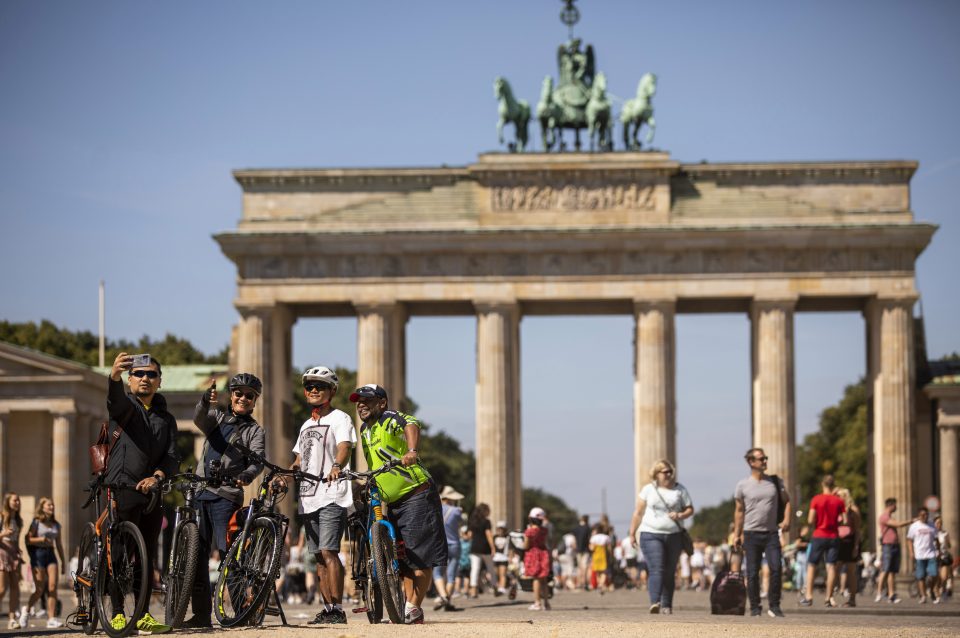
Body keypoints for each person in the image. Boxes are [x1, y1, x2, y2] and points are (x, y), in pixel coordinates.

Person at [349, 383, 446, 625]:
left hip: (416, 494)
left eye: (367, 400)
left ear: (381, 403)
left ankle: (414, 607)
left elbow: (411, 423)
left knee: (419, 557)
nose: (361, 404)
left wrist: (411, 450)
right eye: (358, 401)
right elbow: (375, 464)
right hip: (391, 500)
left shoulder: (390, 419)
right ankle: (404, 606)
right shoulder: (364, 430)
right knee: (401, 559)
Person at [105, 352, 178, 633]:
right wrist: (114, 376)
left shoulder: (166, 419)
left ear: (159, 382)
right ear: (130, 379)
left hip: (152, 491)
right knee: (122, 552)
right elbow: (114, 400)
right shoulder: (125, 408)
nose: (145, 379)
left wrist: (158, 476)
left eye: (151, 375)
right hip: (123, 486)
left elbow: (172, 456)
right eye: (139, 374)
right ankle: (117, 612)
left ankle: (144, 613)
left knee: (147, 555)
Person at [186, 372, 266, 628]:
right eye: (238, 393)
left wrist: (246, 475)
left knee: (229, 554)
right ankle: (200, 615)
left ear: (255, 401)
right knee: (197, 557)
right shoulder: (217, 418)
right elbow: (199, 418)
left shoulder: (255, 430)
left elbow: (257, 462)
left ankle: (241, 610)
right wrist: (205, 401)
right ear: (231, 396)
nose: (243, 398)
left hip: (226, 498)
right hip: (201, 493)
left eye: (249, 396)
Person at [280, 366, 356, 625]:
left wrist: (337, 466)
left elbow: (345, 448)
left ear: (332, 391)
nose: (314, 390)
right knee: (317, 557)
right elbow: (299, 460)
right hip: (308, 496)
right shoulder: (305, 424)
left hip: (332, 493)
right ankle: (327, 608)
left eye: (320, 386)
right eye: (310, 386)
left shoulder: (341, 418)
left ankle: (338, 608)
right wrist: (284, 476)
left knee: (329, 551)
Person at [628, 459, 694, 615]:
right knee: (657, 568)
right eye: (665, 472)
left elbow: (690, 509)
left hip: (674, 535)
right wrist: (632, 532)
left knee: (670, 571)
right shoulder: (648, 490)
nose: (669, 475)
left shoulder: (680, 490)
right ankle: (655, 601)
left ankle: (667, 604)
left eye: (671, 472)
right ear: (657, 474)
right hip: (651, 533)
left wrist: (680, 515)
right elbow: (638, 512)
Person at [732, 447, 791, 617]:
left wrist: (787, 520)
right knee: (751, 573)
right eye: (761, 459)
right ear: (751, 462)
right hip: (751, 533)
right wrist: (737, 534)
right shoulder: (742, 485)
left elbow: (787, 502)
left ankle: (774, 605)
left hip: (771, 533)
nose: (765, 461)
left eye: (766, 458)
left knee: (776, 567)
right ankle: (755, 607)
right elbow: (739, 511)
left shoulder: (775, 481)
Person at [800, 475, 845, 607]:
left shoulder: (816, 499)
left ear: (822, 484)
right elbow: (844, 520)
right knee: (831, 567)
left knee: (812, 565)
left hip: (819, 534)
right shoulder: (838, 501)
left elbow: (810, 519)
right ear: (833, 485)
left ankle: (809, 596)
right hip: (833, 536)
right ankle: (828, 597)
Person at [23, 498, 64, 628]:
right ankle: (27, 609)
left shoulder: (56, 525)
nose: (51, 507)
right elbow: (28, 539)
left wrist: (63, 561)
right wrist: (41, 538)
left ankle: (51, 618)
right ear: (42, 507)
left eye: (52, 505)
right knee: (40, 589)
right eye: (48, 505)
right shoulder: (36, 522)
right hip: (38, 554)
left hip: (51, 554)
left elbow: (59, 544)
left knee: (52, 587)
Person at [875, 497, 914, 603]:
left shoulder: (889, 516)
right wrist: (911, 521)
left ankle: (891, 594)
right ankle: (878, 593)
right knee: (885, 569)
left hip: (894, 545)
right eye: (895, 505)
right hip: (888, 546)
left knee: (892, 571)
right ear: (891, 505)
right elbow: (898, 524)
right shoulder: (884, 517)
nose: (896, 507)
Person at [432, 485, 464, 611]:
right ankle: (448, 600)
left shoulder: (436, 509)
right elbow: (461, 523)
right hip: (455, 544)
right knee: (451, 575)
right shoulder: (457, 511)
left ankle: (443, 596)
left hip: (440, 544)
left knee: (437, 572)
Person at [906, 507, 940, 603]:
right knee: (920, 576)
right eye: (922, 515)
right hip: (919, 554)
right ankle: (923, 596)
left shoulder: (932, 525)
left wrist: (938, 550)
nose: (924, 516)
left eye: (926, 515)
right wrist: (911, 552)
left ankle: (931, 589)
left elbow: (936, 539)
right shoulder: (914, 526)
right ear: (919, 516)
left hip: (931, 553)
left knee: (934, 574)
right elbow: (909, 540)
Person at [0, 493, 24, 629]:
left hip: (14, 554)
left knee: (15, 588)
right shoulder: (2, 517)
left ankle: (12, 619)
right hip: (2, 553)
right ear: (8, 502)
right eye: (15, 500)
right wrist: (3, 534)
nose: (18, 503)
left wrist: (19, 552)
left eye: (18, 500)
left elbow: (16, 539)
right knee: (2, 589)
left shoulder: (18, 520)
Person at [835, 488, 861, 607]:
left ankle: (852, 599)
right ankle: (830, 597)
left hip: (850, 541)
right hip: (838, 541)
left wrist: (856, 546)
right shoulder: (836, 509)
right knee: (834, 570)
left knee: (851, 572)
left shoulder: (853, 510)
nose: (837, 498)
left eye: (839, 496)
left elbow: (857, 529)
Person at [523, 507, 551, 611]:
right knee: (543, 580)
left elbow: (526, 546)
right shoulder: (544, 530)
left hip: (533, 555)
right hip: (543, 553)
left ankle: (537, 602)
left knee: (536, 579)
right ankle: (546, 604)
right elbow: (546, 542)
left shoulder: (529, 531)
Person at [467, 503, 496, 598]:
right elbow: (488, 534)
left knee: (475, 569)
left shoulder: (472, 521)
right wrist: (493, 547)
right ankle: (494, 587)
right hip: (485, 548)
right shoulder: (486, 522)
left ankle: (473, 591)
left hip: (474, 547)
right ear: (485, 511)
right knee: (490, 568)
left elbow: (469, 535)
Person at [588, 523, 611, 594]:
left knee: (597, 572)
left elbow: (591, 548)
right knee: (604, 571)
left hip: (596, 556)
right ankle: (601, 584)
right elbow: (609, 548)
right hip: (603, 556)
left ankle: (599, 585)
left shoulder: (593, 538)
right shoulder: (606, 537)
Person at [934, 515, 953, 598]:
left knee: (944, 577)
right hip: (934, 556)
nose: (939, 524)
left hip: (944, 556)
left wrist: (946, 541)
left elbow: (949, 545)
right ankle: (936, 589)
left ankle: (941, 588)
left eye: (940, 523)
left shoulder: (945, 533)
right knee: (935, 575)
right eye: (937, 523)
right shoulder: (931, 533)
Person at [573, 515, 592, 590]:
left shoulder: (575, 528)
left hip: (578, 550)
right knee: (585, 567)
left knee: (579, 567)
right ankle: (585, 583)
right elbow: (589, 539)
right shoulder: (588, 528)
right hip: (586, 550)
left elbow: (574, 540)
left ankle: (579, 583)